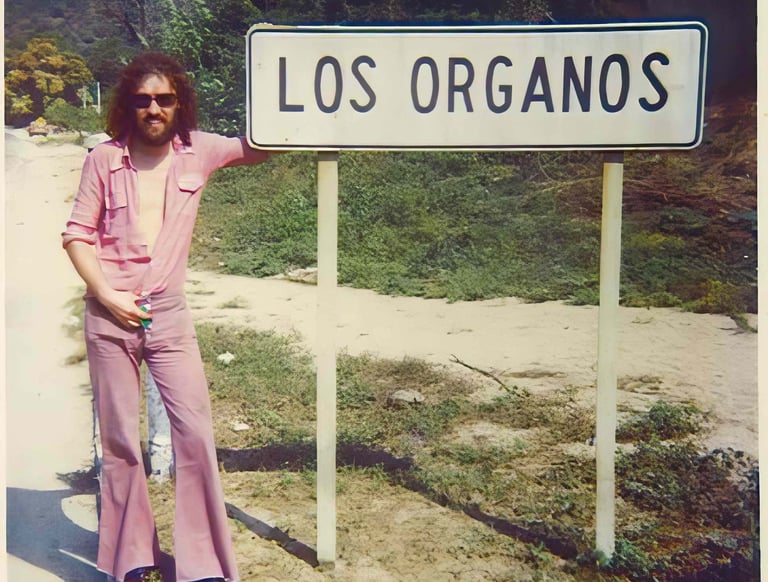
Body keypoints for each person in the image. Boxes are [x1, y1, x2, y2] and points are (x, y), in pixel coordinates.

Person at [62, 52, 271, 582]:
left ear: (180, 103)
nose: (153, 109)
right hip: (109, 317)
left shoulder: (200, 151)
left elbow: (263, 144)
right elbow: (77, 235)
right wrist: (107, 295)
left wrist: (290, 91)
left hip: (169, 315)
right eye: (142, 100)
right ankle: (130, 558)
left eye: (164, 99)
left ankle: (202, 563)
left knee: (195, 433)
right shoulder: (103, 159)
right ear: (127, 105)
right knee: (120, 442)